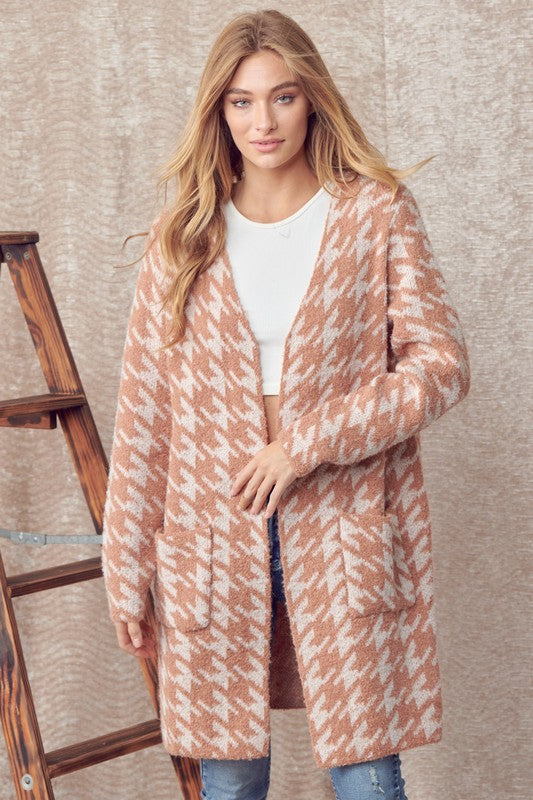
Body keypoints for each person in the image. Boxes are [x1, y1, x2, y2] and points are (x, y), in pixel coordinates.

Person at [101, 9, 470, 800]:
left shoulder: (373, 213)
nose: (261, 122)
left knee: (366, 773)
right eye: (240, 101)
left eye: (282, 97)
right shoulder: (182, 236)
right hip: (212, 538)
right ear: (218, 111)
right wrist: (125, 569)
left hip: (342, 523)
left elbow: (440, 366)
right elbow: (145, 420)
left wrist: (302, 446)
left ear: (312, 101)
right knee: (230, 778)